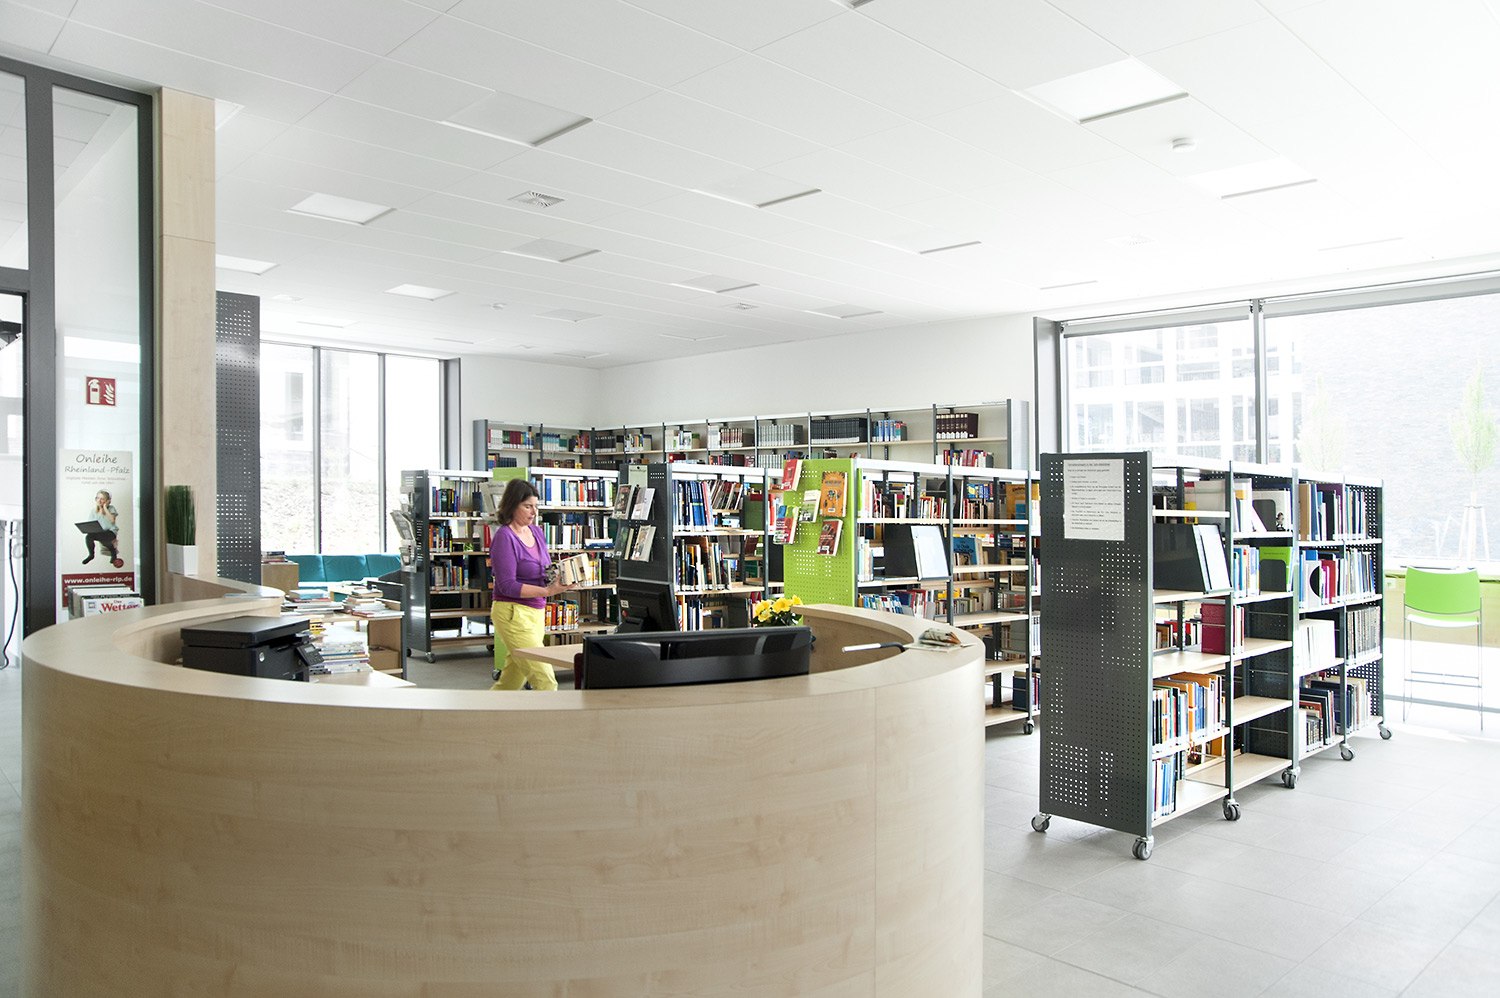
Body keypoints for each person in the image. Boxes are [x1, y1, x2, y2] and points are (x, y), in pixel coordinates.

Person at [489, 479, 574, 690]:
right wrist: (548, 590)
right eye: (528, 506)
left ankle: (486, 710)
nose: (534, 512)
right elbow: (507, 585)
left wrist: (565, 577)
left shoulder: (537, 532)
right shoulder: (504, 537)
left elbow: (543, 570)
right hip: (512, 613)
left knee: (512, 680)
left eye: (536, 506)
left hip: (536, 612)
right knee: (545, 680)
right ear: (512, 505)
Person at [83, 490, 119, 565]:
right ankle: (91, 555)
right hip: (99, 532)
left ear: (107, 501)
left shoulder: (111, 508)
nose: (99, 500)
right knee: (89, 537)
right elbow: (91, 523)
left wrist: (105, 508)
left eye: (102, 499)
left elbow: (112, 520)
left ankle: (113, 553)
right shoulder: (93, 511)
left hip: (110, 532)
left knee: (103, 538)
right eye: (98, 498)